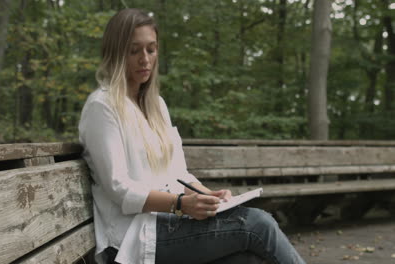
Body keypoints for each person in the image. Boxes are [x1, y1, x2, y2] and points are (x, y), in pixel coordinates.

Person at [78, 8, 306, 264]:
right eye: (134, 50)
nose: (145, 59)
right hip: (131, 237)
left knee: (248, 259)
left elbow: (179, 174)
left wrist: (209, 196)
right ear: (116, 53)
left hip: (168, 222)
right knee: (257, 224)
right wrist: (180, 204)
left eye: (151, 50)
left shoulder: (156, 106)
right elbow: (119, 187)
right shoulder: (103, 106)